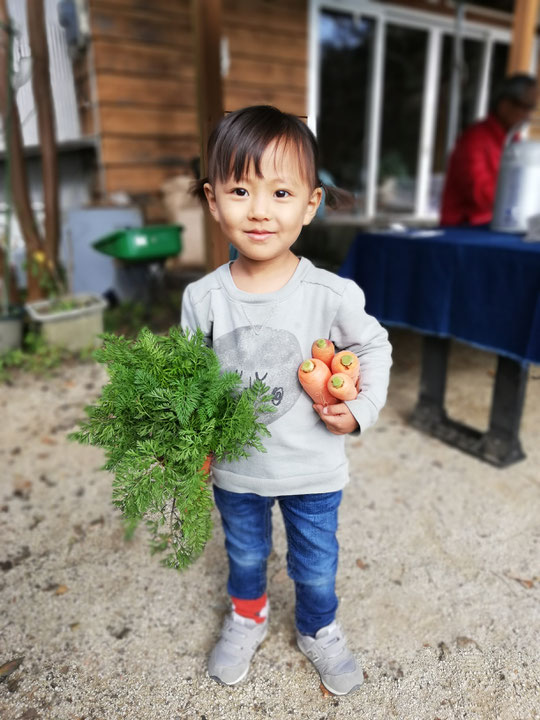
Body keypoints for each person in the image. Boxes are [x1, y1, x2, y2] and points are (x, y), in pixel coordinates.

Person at [180, 105, 392, 695]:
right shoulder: (204, 299)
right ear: (213, 198)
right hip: (237, 471)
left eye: (280, 191)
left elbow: (373, 348)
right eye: (240, 189)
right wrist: (191, 445)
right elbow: (191, 380)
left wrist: (358, 410)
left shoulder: (330, 293)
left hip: (314, 470)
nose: (259, 209)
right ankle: (247, 616)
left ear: (310, 204)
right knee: (245, 557)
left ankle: (319, 628)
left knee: (316, 564)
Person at [440, 73, 538, 227]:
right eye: (525, 107)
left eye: (531, 109)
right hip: (466, 227)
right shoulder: (475, 139)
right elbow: (478, 193)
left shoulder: (513, 140)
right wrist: (520, 198)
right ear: (505, 105)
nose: (527, 116)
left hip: (497, 223)